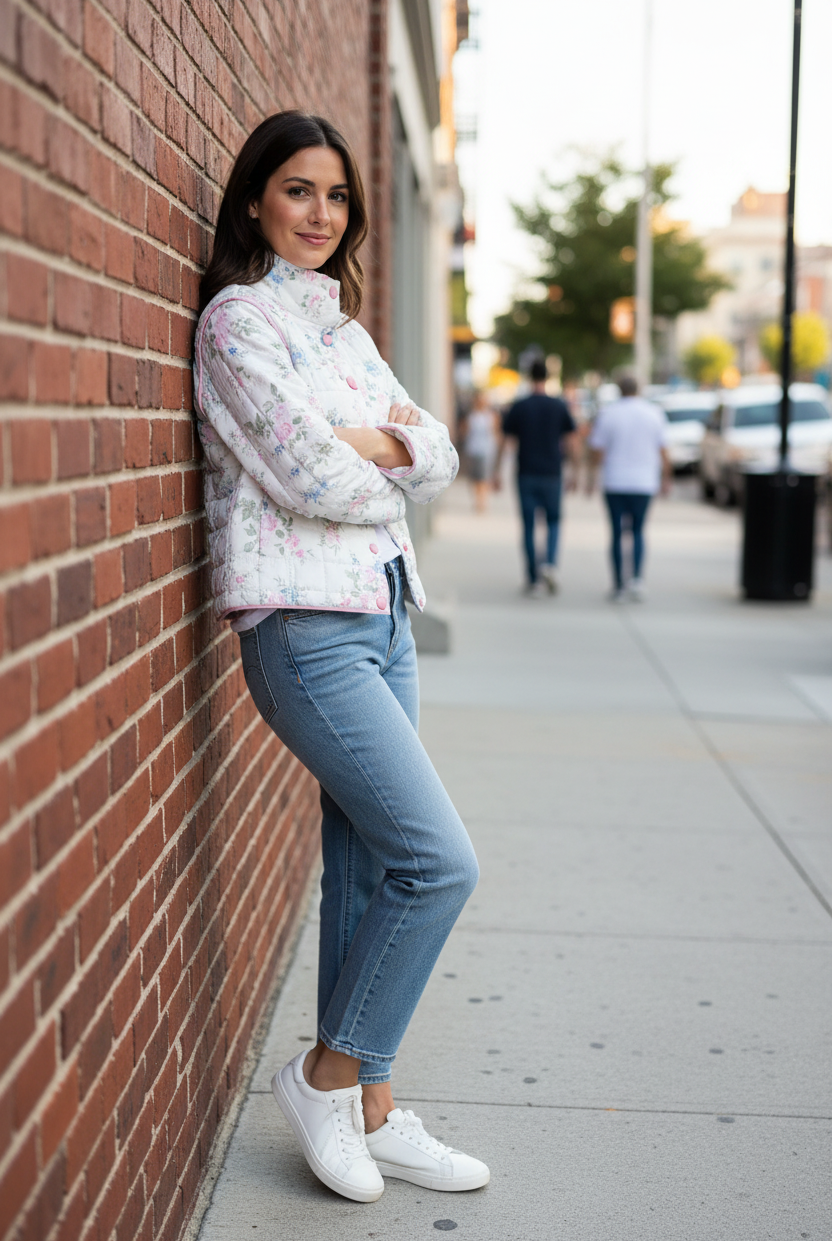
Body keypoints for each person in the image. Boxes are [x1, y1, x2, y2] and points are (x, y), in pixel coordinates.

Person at [194, 112, 488, 1205]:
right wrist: (383, 452)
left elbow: (442, 450)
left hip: (384, 611)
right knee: (438, 860)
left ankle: (370, 1101)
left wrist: (375, 442)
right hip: (303, 628)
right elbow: (310, 479)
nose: (320, 214)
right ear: (255, 202)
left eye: (335, 196)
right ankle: (324, 1074)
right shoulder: (238, 325)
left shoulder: (346, 335)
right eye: (297, 192)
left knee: (368, 868)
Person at [588, 375, 671, 601]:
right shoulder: (654, 413)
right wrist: (666, 477)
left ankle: (618, 584)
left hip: (615, 481)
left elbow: (597, 451)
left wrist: (590, 477)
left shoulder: (609, 414)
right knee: (637, 531)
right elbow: (663, 450)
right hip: (643, 482)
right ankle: (636, 578)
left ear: (619, 390)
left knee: (616, 533)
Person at [502, 360, 577, 594]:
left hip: (526, 472)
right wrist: (575, 471)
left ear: (528, 376)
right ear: (548, 377)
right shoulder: (559, 405)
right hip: (552, 473)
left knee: (528, 525)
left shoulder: (520, 406)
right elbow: (571, 440)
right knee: (553, 521)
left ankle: (533, 578)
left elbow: (506, 441)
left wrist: (495, 471)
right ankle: (550, 564)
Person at [462, 390, 501, 512]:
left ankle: (482, 501)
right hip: (473, 449)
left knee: (484, 477)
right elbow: (465, 432)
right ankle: (477, 498)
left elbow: (496, 432)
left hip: (487, 450)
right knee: (475, 477)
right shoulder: (471, 416)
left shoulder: (492, 416)